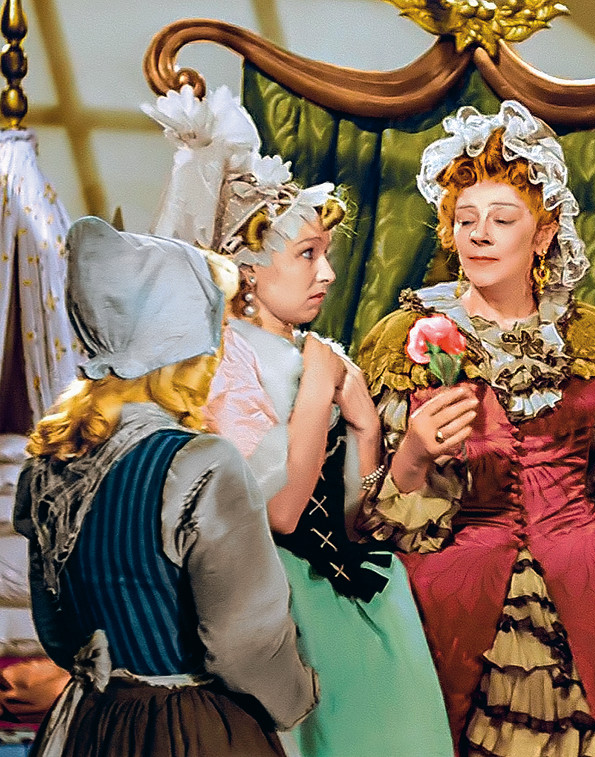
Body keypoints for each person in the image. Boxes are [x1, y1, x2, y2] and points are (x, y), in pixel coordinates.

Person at [357, 101, 595, 757]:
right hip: (457, 574)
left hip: (591, 570)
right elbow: (366, 505)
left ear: (542, 234)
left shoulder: (591, 336)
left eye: (502, 219)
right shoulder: (406, 338)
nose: (479, 235)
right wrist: (414, 455)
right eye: (465, 219)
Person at [144, 85, 453, 757]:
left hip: (349, 586)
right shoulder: (223, 362)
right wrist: (317, 387)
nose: (329, 273)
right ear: (249, 269)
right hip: (275, 596)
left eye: (327, 253)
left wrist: (366, 430)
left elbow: (353, 516)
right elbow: (281, 513)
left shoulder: (319, 355)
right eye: (308, 254)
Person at [14, 216, 317, 756]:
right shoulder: (199, 463)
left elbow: (56, 630)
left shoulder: (49, 466)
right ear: (185, 346)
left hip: (89, 721)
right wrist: (298, 697)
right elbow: (244, 640)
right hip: (188, 727)